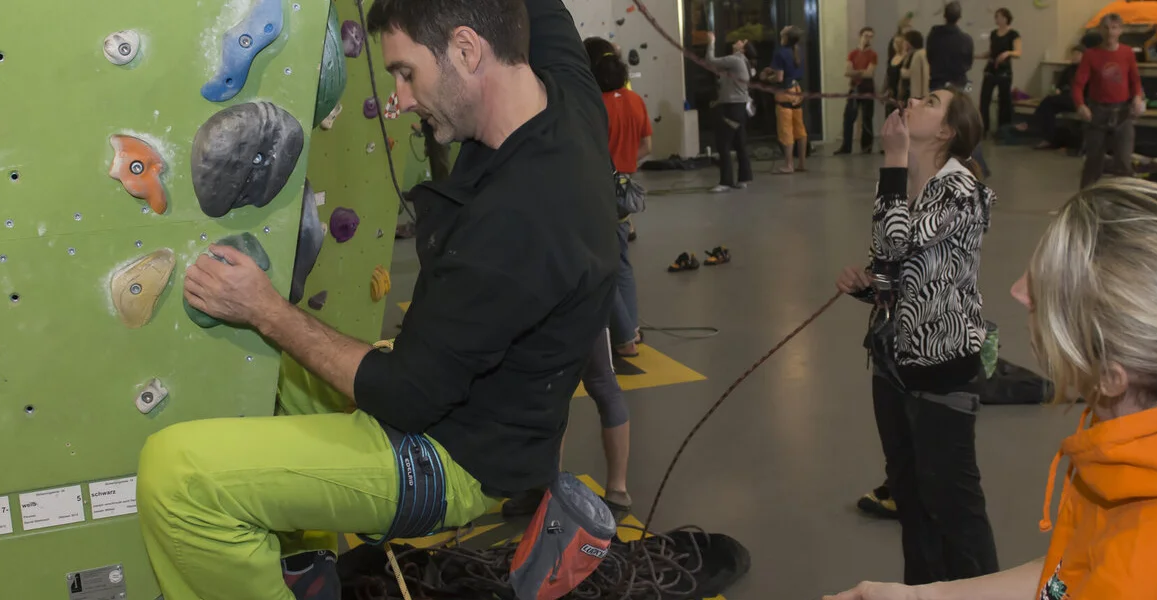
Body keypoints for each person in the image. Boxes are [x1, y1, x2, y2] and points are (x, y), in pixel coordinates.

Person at [153, 0, 618, 596]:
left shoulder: (522, 221)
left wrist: (262, 309)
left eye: (405, 73)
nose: (400, 98)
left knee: (177, 477)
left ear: (467, 50)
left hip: (455, 458)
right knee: (294, 375)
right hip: (464, 392)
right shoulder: (562, 92)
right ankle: (308, 571)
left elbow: (404, 395)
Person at [825, 179, 1157, 600]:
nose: (1018, 291)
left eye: (1047, 289)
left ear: (1111, 374)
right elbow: (1080, 565)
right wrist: (927, 597)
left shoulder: (1156, 565)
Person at [838, 87, 997, 586]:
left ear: (947, 131)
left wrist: (892, 157)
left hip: (941, 366)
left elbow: (894, 240)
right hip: (894, 363)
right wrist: (870, 287)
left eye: (930, 101)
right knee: (910, 498)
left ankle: (979, 594)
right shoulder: (911, 183)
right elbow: (899, 268)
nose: (913, 100)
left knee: (953, 506)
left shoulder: (959, 187)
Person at [587, 37, 645, 514]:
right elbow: (644, 142)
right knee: (623, 268)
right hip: (618, 197)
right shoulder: (630, 102)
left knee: (600, 384)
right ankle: (629, 333)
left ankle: (627, 332)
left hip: (588, 247)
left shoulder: (590, 116)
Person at [1072, 14, 1143, 188]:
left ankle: (1126, 201)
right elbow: (1078, 84)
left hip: (1122, 112)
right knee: (1094, 161)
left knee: (1124, 161)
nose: (1110, 32)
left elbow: (1135, 80)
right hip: (1098, 113)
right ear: (1100, 30)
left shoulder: (1127, 53)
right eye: (1106, 28)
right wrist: (1080, 105)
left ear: (1120, 30)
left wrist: (1137, 97)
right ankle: (1085, 198)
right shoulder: (1091, 55)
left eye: (1114, 28)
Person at [1015, 39, 1093, 150]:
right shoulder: (1068, 70)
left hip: (1080, 100)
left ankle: (1031, 125)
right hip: (1065, 98)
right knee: (1048, 107)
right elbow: (1060, 85)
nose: (1074, 56)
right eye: (1073, 54)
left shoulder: (1086, 70)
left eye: (1077, 54)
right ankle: (1049, 138)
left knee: (1048, 101)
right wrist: (1058, 90)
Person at [708, 36, 754, 193]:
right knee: (740, 143)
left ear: (743, 49)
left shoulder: (735, 60)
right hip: (740, 107)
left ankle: (726, 181)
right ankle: (743, 178)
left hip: (732, 108)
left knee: (723, 143)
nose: (737, 40)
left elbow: (711, 60)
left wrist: (711, 41)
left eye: (742, 41)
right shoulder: (744, 63)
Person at [770, 26, 810, 174]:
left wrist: (767, 77)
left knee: (786, 130)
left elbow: (779, 77)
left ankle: (789, 165)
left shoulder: (779, 53)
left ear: (785, 37)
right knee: (800, 129)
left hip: (785, 93)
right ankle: (802, 163)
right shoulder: (798, 51)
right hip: (797, 92)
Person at [978, 8, 1021, 133]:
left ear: (1005, 18)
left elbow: (1018, 52)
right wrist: (978, 56)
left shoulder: (1013, 34)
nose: (996, 19)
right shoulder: (993, 34)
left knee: (1004, 100)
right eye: (996, 16)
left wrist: (1007, 53)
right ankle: (984, 128)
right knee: (985, 99)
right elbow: (991, 52)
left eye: (999, 16)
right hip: (991, 69)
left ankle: (1003, 129)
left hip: (1004, 71)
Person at [837, 27, 879, 155]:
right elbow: (847, 71)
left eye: (871, 36)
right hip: (854, 88)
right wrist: (861, 72)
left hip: (867, 88)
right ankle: (846, 146)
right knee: (849, 117)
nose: (868, 38)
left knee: (867, 118)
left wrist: (856, 72)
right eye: (866, 35)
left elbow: (869, 74)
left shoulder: (873, 55)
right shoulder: (853, 53)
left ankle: (866, 147)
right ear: (860, 36)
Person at [925, 2, 975, 92]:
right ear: (959, 17)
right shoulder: (966, 39)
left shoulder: (934, 34)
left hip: (937, 81)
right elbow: (969, 64)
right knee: (961, 104)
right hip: (960, 82)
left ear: (944, 15)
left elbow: (929, 56)